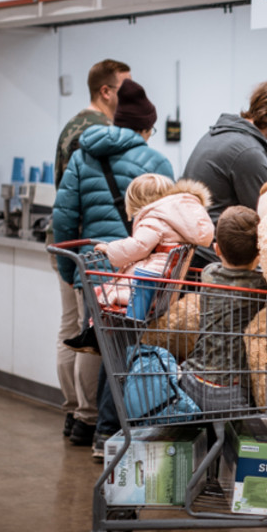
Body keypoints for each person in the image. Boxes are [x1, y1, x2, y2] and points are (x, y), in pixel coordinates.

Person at [52, 78, 174, 448]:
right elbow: (165, 219)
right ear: (146, 127)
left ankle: (81, 422)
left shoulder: (82, 154)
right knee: (118, 349)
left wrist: (71, 269)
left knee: (88, 341)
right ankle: (106, 429)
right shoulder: (156, 161)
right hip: (135, 272)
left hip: (92, 264)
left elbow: (63, 216)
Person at [52, 59, 131, 443]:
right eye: (125, 89)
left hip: (65, 245)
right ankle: (86, 417)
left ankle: (71, 410)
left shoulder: (72, 126)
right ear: (106, 91)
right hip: (90, 250)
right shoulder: (101, 133)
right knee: (91, 335)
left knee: (69, 330)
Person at [182, 79, 267, 265]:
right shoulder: (248, 152)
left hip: (193, 250)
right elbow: (265, 218)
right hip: (214, 259)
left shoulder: (221, 134)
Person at [179, 206, 267, 410]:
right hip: (232, 391)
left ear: (217, 249)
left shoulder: (208, 274)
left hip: (193, 381)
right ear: (260, 252)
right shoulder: (263, 286)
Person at [91, 175, 214, 307]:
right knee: (107, 291)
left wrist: (109, 249)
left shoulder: (153, 220)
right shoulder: (173, 220)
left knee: (105, 296)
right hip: (161, 285)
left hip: (147, 289)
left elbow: (137, 246)